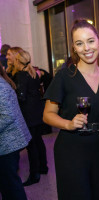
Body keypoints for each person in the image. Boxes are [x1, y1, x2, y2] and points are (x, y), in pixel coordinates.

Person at [43, 19, 99, 200]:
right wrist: (68, 123)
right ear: (74, 47)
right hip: (71, 149)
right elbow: (47, 115)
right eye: (79, 43)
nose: (86, 48)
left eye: (90, 41)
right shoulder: (65, 77)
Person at [6, 47, 48, 186]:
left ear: (18, 61)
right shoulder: (33, 73)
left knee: (31, 146)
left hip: (28, 114)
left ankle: (34, 174)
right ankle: (43, 167)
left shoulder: (21, 75)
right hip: (37, 111)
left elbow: (21, 97)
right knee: (38, 141)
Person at [0, 62, 31, 200]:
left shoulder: (0, 86)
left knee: (11, 186)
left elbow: (7, 116)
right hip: (7, 143)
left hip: (7, 143)